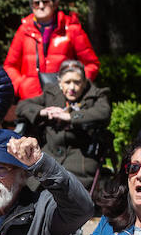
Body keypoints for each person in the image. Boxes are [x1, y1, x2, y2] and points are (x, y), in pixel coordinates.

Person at [16, 58, 112, 192]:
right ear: (60, 83)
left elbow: (103, 112)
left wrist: (70, 117)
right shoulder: (51, 94)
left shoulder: (96, 95)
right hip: (50, 152)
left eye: (77, 82)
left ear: (84, 83)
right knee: (31, 188)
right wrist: (42, 111)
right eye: (67, 82)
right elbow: (22, 106)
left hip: (80, 158)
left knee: (70, 190)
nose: (72, 88)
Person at [3, 0, 100, 101]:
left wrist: (75, 84)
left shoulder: (71, 29)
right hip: (31, 100)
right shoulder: (24, 30)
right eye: (36, 3)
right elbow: (10, 66)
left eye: (45, 1)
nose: (41, 6)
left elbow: (91, 64)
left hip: (64, 100)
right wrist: (21, 86)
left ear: (55, 4)